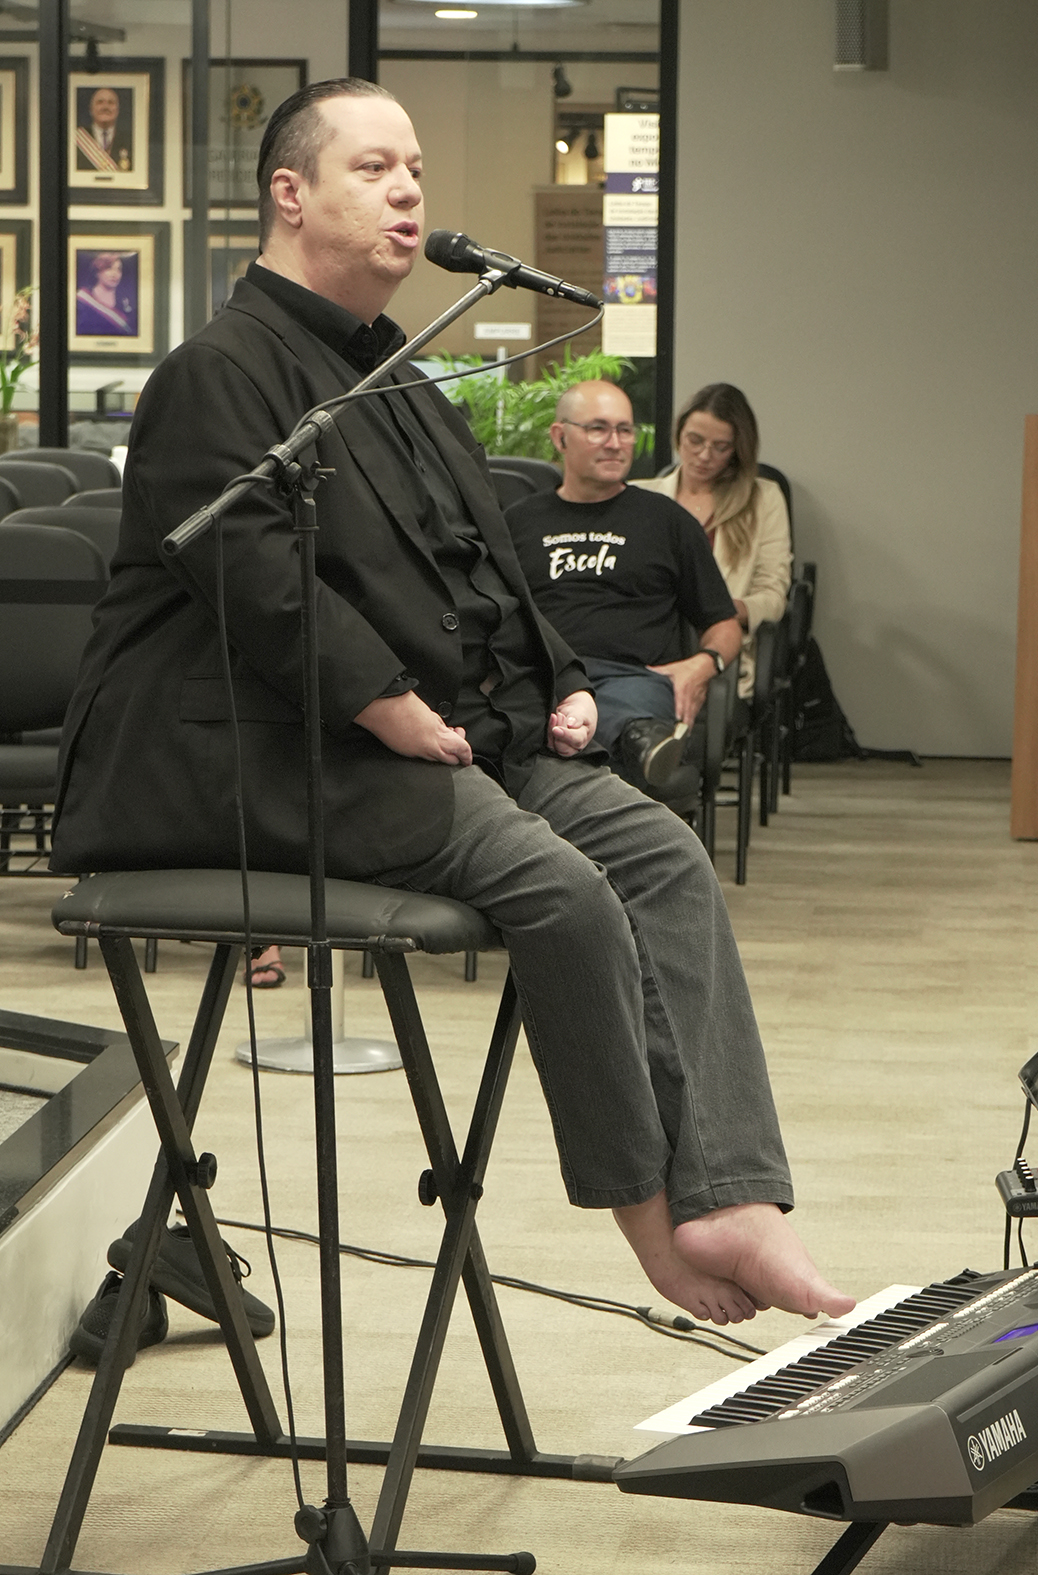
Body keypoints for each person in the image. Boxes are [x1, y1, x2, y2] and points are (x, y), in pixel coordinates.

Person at [50, 78, 853, 1329]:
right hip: (260, 752)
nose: (411, 189)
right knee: (564, 890)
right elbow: (255, 578)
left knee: (659, 854)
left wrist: (563, 697)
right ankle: (657, 1228)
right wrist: (381, 704)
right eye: (374, 168)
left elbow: (488, 582)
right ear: (289, 192)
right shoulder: (221, 372)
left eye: (415, 166)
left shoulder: (397, 381)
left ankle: (734, 1196)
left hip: (422, 739)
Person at [505, 380, 743, 789]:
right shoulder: (517, 523)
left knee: (622, 718)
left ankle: (626, 742)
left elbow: (724, 624)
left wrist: (704, 664)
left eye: (625, 430)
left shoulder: (667, 521)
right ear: (560, 437)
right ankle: (627, 744)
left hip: (633, 679)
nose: (615, 443)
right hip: (543, 675)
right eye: (598, 429)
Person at [634, 383, 792, 698]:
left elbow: (774, 596)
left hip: (719, 648)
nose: (705, 456)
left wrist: (722, 610)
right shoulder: (640, 496)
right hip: (646, 643)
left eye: (721, 447)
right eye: (695, 440)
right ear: (678, 434)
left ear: (738, 450)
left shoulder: (763, 499)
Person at [75, 252, 137, 337]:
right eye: (109, 268)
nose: (115, 274)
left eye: (118, 269)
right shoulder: (81, 299)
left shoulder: (126, 302)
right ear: (97, 272)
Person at [75, 86, 133, 173]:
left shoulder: (131, 140)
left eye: (111, 102)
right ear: (91, 109)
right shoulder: (75, 139)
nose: (105, 107)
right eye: (100, 102)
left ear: (117, 110)